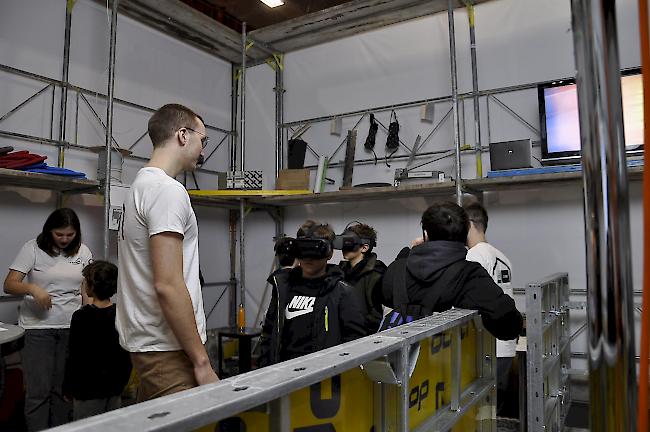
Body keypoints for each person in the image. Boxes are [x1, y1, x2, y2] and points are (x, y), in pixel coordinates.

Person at [116, 103, 218, 402]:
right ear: (183, 135)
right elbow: (167, 284)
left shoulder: (140, 186)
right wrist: (200, 361)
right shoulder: (167, 190)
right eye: (203, 140)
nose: (203, 150)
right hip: (169, 348)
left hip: (151, 343)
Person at [379, 202, 522, 341]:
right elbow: (509, 326)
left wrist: (408, 254)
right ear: (466, 231)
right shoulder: (469, 276)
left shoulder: (396, 269)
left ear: (426, 233)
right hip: (446, 361)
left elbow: (384, 296)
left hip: (397, 361)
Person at [3, 208, 92, 431]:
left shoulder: (83, 252)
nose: (64, 239)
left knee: (61, 390)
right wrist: (33, 288)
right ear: (49, 230)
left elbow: (86, 289)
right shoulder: (32, 248)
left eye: (69, 235)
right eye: (58, 234)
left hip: (71, 328)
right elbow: (9, 284)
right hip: (38, 328)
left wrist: (91, 312)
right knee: (38, 391)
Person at [258, 221, 367, 367]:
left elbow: (354, 343)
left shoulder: (342, 292)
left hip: (321, 377)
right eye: (303, 250)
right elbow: (269, 333)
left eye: (315, 250)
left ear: (329, 253)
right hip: (282, 374)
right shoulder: (282, 287)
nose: (308, 258)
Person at [464, 201, 516, 416]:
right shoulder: (502, 256)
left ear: (468, 224)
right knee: (493, 407)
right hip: (504, 345)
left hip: (487, 345)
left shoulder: (474, 256)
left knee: (480, 409)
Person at [63, 260, 132, 420]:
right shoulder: (120, 314)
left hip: (87, 389)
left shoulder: (81, 317)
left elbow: (74, 356)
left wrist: (68, 387)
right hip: (114, 386)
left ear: (90, 286)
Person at [337, 223, 386, 334]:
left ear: (364, 247)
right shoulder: (339, 273)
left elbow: (376, 315)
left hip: (363, 338)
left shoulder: (377, 275)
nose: (344, 247)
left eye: (349, 243)